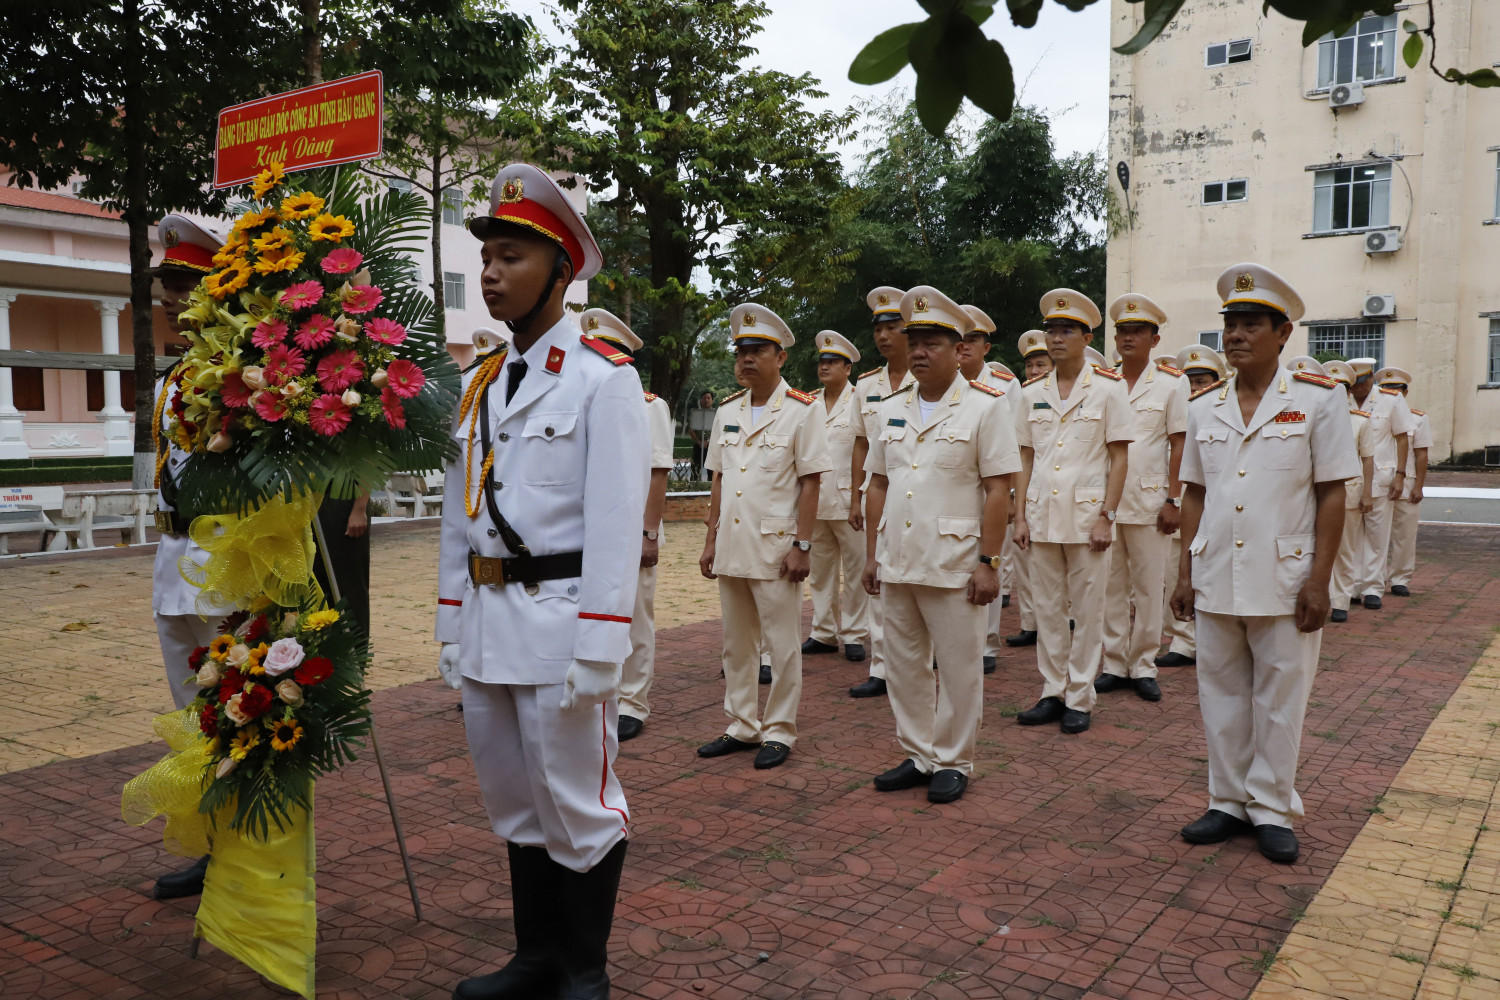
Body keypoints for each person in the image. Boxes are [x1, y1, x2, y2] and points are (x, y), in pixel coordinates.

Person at [436, 163, 648, 1000]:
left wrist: (604, 646)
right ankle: (536, 957)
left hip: (561, 628)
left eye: (511, 257)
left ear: (562, 270)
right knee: (514, 800)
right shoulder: (480, 384)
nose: (490, 272)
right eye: (485, 257)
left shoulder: (605, 381)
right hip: (489, 623)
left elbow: (614, 524)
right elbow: (461, 517)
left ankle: (585, 967)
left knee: (578, 802)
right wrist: (452, 626)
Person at [1171, 263, 1357, 865]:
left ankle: (1273, 807)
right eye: (1230, 325)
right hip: (1217, 569)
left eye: (1252, 325)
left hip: (1285, 575)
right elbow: (1194, 494)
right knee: (1220, 693)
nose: (1236, 336)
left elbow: (1333, 492)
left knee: (1281, 697)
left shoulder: (1317, 401)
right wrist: (1183, 574)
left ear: (1284, 334)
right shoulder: (1203, 406)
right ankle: (1227, 801)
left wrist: (1320, 580)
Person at [862, 287, 1018, 803]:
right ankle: (918, 752)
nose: (920, 351)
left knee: (958, 667)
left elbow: (999, 489)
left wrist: (989, 562)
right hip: (899, 557)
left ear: (958, 349)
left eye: (932, 341)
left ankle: (954, 759)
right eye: (915, 341)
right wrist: (871, 555)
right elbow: (878, 484)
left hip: (954, 560)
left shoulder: (986, 407)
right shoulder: (889, 408)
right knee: (903, 664)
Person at [697, 304, 830, 769]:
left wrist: (803, 544)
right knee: (736, 643)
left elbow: (811, 481)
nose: (747, 359)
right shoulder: (729, 410)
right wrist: (710, 540)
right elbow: (717, 479)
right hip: (732, 545)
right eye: (742, 351)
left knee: (782, 643)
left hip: (776, 548)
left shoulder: (802, 412)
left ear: (781, 357)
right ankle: (741, 724)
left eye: (758, 350)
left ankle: (779, 730)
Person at [148, 213, 236, 901]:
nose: (173, 302)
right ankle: (212, 849)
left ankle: (249, 857)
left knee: (238, 714)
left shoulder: (244, 377)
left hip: (226, 561)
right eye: (167, 289)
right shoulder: (172, 382)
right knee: (192, 722)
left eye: (187, 286)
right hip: (174, 561)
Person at [1012, 291, 1132, 734]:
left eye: (1066, 331)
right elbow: (1024, 457)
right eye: (1051, 330)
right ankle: (1052, 690)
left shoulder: (1108, 390)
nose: (1056, 338)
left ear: (1087, 336)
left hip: (1087, 519)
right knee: (1047, 609)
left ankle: (1080, 694)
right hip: (1041, 515)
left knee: (1088, 609)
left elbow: (1119, 457)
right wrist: (1020, 515)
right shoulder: (1031, 393)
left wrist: (1108, 515)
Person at [576, 308, 674, 743]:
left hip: (634, 532)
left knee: (635, 619)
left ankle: (634, 700)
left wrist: (648, 533)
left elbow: (659, 471)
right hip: (591, 532)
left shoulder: (650, 406)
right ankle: (600, 694)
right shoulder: (583, 398)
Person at [1095, 295, 1187, 703]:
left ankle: (1144, 664)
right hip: (1104, 503)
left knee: (1151, 587)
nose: (1128, 337)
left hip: (1151, 502)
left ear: (1155, 339)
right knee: (1110, 587)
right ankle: (1114, 663)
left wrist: (1174, 499)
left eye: (1137, 331)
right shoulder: (1102, 381)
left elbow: (1179, 445)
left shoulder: (1171, 383)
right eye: (1122, 331)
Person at [848, 286, 916, 699]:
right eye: (879, 329)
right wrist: (857, 496)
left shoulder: (929, 378)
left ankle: (916, 659)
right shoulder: (867, 384)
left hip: (919, 492)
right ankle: (880, 665)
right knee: (876, 572)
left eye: (894, 327)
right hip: (879, 491)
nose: (885, 336)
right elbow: (860, 442)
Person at [958, 305, 1022, 674]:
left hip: (994, 488)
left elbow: (1014, 444)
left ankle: (987, 644)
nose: (965, 346)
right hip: (957, 486)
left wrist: (1012, 497)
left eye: (973, 339)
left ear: (986, 346)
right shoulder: (939, 383)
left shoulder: (1005, 385)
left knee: (990, 558)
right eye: (961, 339)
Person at [1156, 346, 1228, 668]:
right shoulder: (1174, 410)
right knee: (1177, 570)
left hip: (1217, 508)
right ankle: (1184, 641)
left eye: (1203, 381)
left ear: (1219, 380)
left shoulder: (1226, 412)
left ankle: (1213, 642)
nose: (1196, 389)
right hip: (1182, 503)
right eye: (1191, 382)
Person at [802, 330, 869, 663]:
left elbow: (866, 451)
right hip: (816, 503)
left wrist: (859, 499)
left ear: (848, 368)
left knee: (856, 572)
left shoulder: (861, 400)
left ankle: (854, 633)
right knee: (821, 571)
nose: (825, 367)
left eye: (833, 362)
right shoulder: (809, 403)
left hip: (849, 502)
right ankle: (823, 631)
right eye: (822, 361)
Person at [1309, 358, 1375, 623]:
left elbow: (1368, 458)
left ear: (1348, 392)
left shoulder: (1360, 421)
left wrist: (1368, 493)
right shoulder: (1314, 416)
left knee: (1344, 549)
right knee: (1314, 548)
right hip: (1313, 494)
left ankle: (1340, 602)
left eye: (1341, 387)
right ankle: (1318, 595)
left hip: (1349, 492)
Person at [1345, 356, 1413, 610]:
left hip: (1382, 477)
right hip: (1350, 480)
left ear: (1371, 377)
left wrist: (1400, 474)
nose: (1357, 389)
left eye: (1361, 382)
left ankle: (1373, 587)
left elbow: (1402, 437)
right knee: (1349, 536)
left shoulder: (1390, 399)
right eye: (1353, 384)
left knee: (1377, 536)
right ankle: (1350, 586)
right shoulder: (1341, 397)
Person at [1004, 330, 1054, 650]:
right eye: (1030, 366)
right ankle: (1030, 623)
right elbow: (1019, 451)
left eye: (1041, 364)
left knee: (1054, 567)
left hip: (1059, 492)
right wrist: (1014, 499)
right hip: (1027, 490)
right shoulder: (1024, 397)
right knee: (1024, 562)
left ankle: (1062, 618)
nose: (1034, 372)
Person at [1378, 367, 1429, 598]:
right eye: (1387, 389)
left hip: (1407, 481)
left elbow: (1421, 454)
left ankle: (1400, 578)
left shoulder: (1417, 418)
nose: (1392, 393)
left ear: (1405, 392)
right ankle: (1373, 580)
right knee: (1374, 534)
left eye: (1397, 389)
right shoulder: (1372, 416)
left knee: (1405, 534)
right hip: (1379, 481)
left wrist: (1419, 485)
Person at [690, 390, 715, 481]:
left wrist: (708, 441)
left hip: (711, 446)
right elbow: (691, 430)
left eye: (709, 398)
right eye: (704, 398)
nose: (706, 400)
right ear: (701, 400)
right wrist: (699, 441)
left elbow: (717, 430)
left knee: (712, 469)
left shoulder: (716, 414)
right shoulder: (696, 413)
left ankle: (710, 488)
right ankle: (694, 487)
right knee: (695, 467)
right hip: (698, 445)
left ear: (712, 400)